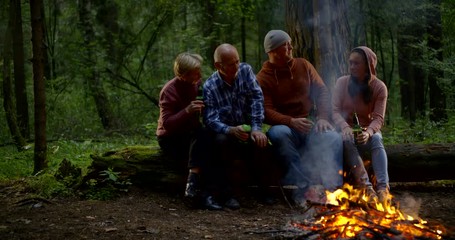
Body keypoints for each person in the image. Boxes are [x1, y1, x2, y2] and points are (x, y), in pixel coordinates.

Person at [256, 30, 343, 206]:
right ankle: (305, 188)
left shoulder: (303, 65)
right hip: (285, 127)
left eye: (290, 44)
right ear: (272, 51)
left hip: (309, 123)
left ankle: (333, 190)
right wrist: (290, 121)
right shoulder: (263, 78)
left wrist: (322, 117)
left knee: (332, 137)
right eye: (285, 45)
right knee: (279, 133)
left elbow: (322, 91)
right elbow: (265, 110)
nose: (291, 47)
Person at [203, 43, 269, 210]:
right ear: (219, 65)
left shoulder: (245, 71)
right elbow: (210, 119)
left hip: (247, 127)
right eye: (232, 64)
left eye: (238, 61)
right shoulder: (210, 86)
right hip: (226, 131)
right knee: (220, 142)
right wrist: (230, 130)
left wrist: (256, 127)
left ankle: (265, 190)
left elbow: (257, 98)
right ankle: (228, 195)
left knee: (261, 142)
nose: (237, 66)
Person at [156, 52, 222, 210]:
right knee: (204, 149)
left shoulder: (196, 83)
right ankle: (201, 193)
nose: (199, 74)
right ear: (183, 74)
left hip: (192, 135)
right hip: (171, 138)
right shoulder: (169, 91)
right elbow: (167, 124)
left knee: (210, 141)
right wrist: (187, 111)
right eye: (195, 71)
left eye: (199, 70)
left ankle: (198, 190)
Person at [331, 46, 390, 204]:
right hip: (346, 130)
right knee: (347, 139)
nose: (352, 67)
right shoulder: (342, 83)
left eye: (356, 63)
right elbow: (335, 111)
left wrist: (369, 132)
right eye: (350, 63)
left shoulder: (379, 87)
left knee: (377, 139)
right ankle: (367, 188)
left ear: (368, 65)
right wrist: (344, 127)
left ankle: (383, 189)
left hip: (368, 131)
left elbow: (378, 118)